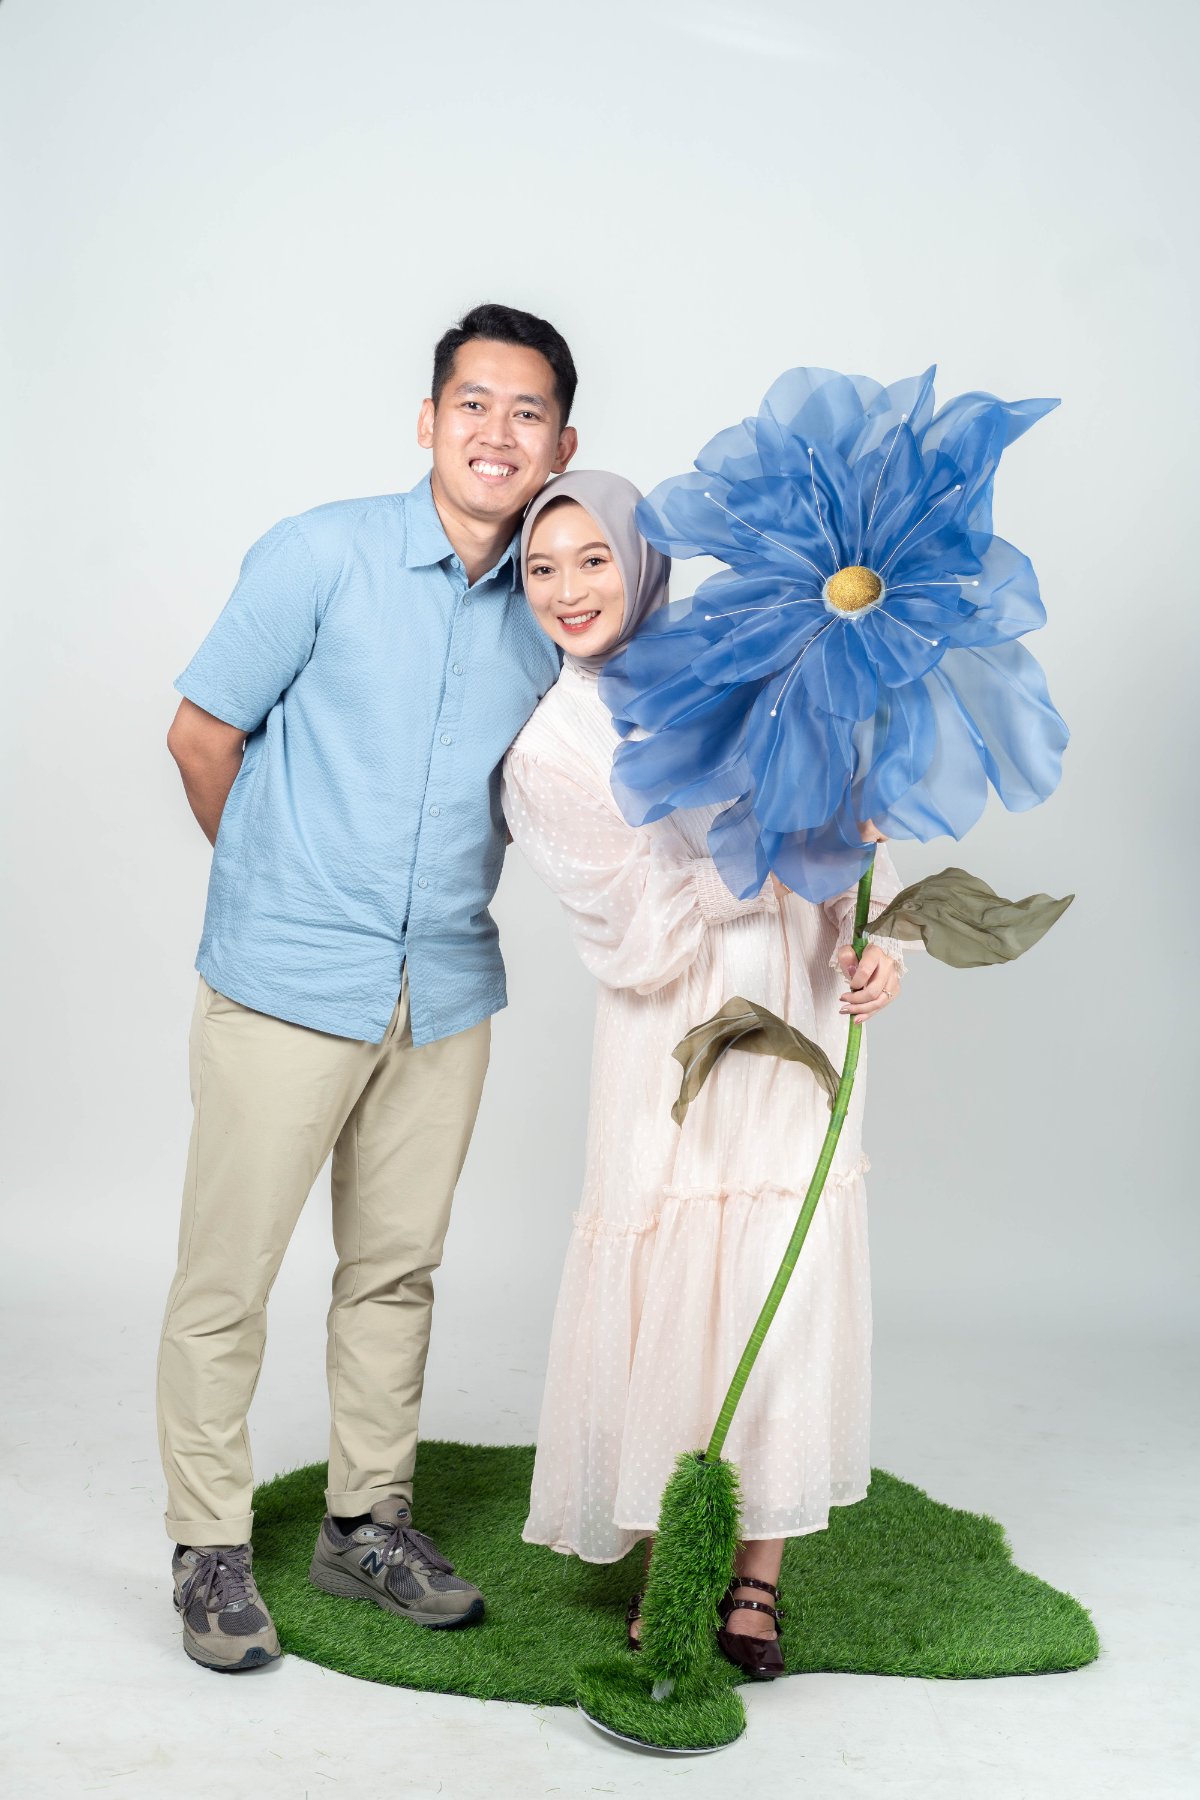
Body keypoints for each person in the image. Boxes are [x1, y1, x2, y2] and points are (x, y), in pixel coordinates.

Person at [158, 303, 578, 1671]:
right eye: (473, 404)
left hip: (446, 988)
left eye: (526, 413)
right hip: (287, 979)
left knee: (396, 1273)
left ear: (562, 444)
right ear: (428, 421)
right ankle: (208, 1548)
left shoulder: (552, 605)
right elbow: (202, 735)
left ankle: (366, 1525)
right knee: (228, 1278)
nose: (496, 433)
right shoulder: (320, 554)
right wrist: (274, 886)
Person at [501, 471, 906, 1679]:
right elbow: (641, 935)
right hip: (675, 1043)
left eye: (594, 559)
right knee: (676, 1280)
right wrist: (772, 850)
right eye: (541, 569)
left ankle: (758, 1576)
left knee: (784, 1273)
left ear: (642, 563)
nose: (570, 590)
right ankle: (675, 1559)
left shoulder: (745, 665)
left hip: (798, 1011)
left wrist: (876, 937)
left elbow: (844, 834)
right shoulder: (551, 749)